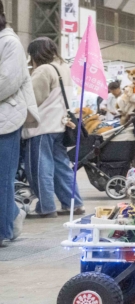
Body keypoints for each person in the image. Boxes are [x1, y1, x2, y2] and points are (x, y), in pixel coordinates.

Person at [22, 38, 84, 219]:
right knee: (61, 167)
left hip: (41, 127)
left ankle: (46, 207)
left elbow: (31, 99)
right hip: (59, 126)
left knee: (40, 169)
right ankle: (74, 204)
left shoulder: (43, 70)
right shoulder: (64, 68)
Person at [0, 2, 34, 246]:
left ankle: (3, 230)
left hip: (6, 121)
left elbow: (6, 82)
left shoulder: (10, 42)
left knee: (3, 179)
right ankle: (13, 215)